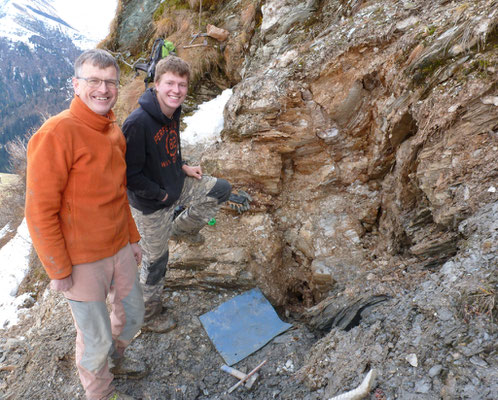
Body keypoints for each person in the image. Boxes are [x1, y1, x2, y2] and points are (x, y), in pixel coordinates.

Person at [25, 49, 145, 400]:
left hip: (119, 247)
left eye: (110, 82)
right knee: (94, 339)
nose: (103, 89)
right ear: (76, 84)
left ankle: (116, 359)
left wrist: (133, 238)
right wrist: (58, 268)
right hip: (81, 260)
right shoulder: (57, 133)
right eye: (93, 80)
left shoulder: (112, 131)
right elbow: (39, 210)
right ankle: (101, 393)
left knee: (134, 315)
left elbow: (119, 193)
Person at [123, 56, 231, 333]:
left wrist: (182, 166)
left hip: (175, 182)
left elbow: (169, 145)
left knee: (220, 190)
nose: (177, 90)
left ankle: (180, 229)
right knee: (156, 262)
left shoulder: (173, 110)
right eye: (170, 83)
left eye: (182, 85)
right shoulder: (137, 123)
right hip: (152, 204)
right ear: (156, 84)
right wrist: (160, 196)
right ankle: (148, 316)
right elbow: (129, 176)